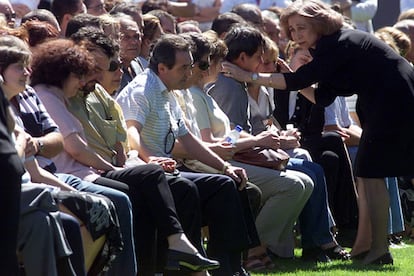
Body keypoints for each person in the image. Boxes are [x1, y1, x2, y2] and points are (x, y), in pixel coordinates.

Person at [221, 0, 414, 265]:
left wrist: (250, 77)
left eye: (303, 27)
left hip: (392, 98)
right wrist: (291, 77)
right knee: (367, 175)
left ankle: (379, 249)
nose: (296, 34)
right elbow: (320, 96)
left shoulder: (335, 44)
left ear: (320, 24)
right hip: (381, 99)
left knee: (372, 174)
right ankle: (365, 247)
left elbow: (298, 81)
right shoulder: (330, 46)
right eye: (292, 29)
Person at [30, 38, 219, 274]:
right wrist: (115, 169)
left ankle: (166, 261)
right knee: (140, 184)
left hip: (89, 172)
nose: (82, 81)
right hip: (78, 174)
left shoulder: (62, 97)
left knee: (155, 187)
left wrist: (119, 163)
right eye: (78, 75)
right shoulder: (48, 97)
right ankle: (166, 253)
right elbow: (77, 149)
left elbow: (119, 133)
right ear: (62, 73)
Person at [117, 33, 255, 276]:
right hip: (148, 175)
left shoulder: (168, 91)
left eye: (191, 65)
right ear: (162, 67)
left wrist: (225, 167)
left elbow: (189, 141)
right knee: (186, 190)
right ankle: (190, 267)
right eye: (184, 67)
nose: (189, 72)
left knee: (225, 184)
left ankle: (229, 269)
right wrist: (150, 159)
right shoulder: (142, 90)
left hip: (168, 171)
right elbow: (131, 133)